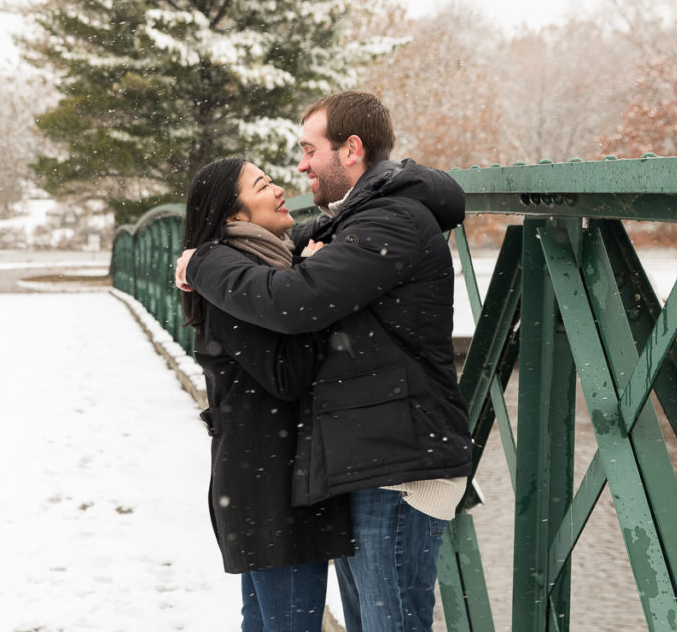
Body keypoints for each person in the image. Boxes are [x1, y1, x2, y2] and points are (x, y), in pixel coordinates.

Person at [176, 91, 472, 632]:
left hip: (399, 469)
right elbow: (295, 247)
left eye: (310, 149)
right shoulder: (362, 216)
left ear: (351, 149)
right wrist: (213, 248)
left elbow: (295, 300)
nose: (300, 165)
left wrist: (204, 260)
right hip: (371, 462)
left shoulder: (391, 221)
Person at [181, 157, 353, 632]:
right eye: (263, 184)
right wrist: (318, 289)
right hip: (272, 495)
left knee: (265, 623)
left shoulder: (256, 267)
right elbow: (287, 375)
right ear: (234, 215)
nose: (279, 189)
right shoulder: (236, 281)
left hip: (261, 488)